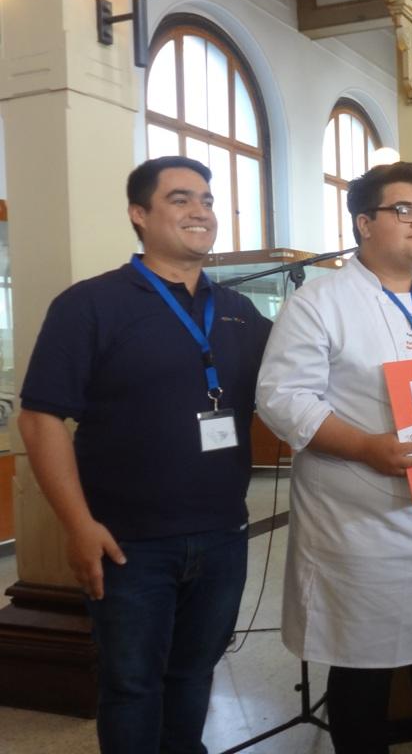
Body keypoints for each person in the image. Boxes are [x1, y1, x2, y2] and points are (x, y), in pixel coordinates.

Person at [18, 155, 271, 753]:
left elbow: (303, 388)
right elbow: (39, 420)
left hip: (222, 534)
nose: (200, 211)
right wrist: (78, 526)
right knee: (133, 687)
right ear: (139, 214)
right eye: (180, 199)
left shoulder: (240, 312)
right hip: (129, 542)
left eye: (207, 199)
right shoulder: (91, 305)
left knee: (195, 675)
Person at [256, 161, 412, 754]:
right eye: (405, 210)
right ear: (364, 223)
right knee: (360, 672)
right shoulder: (321, 302)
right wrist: (367, 446)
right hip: (358, 527)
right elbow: (282, 398)